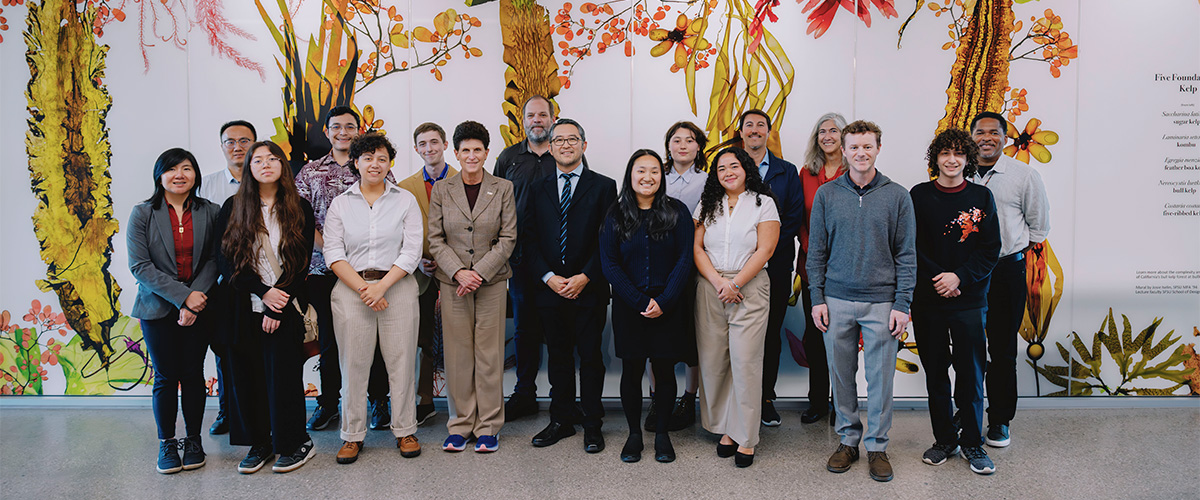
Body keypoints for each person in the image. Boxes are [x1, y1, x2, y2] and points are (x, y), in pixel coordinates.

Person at [808, 120, 915, 482]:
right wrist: (817, 297)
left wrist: (902, 303)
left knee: (881, 379)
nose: (860, 153)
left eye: (867, 146)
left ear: (878, 149)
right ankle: (848, 440)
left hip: (882, 302)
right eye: (853, 147)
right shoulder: (827, 194)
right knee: (841, 376)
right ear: (844, 150)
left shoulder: (898, 195)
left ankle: (878, 446)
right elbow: (816, 251)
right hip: (835, 300)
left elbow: (906, 254)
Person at [323, 132, 425, 464]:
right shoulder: (341, 203)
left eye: (382, 158)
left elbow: (412, 251)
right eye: (367, 158)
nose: (375, 164)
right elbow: (333, 252)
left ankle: (405, 429)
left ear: (389, 163)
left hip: (398, 286)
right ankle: (352, 435)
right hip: (353, 290)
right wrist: (366, 289)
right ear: (356, 162)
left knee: (401, 362)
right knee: (353, 365)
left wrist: (382, 287)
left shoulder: (405, 200)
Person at [216, 140, 317, 474]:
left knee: (284, 376)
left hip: (285, 305)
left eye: (273, 158)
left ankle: (294, 442)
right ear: (249, 168)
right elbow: (226, 261)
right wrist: (261, 292)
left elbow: (301, 261)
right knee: (247, 377)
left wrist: (276, 305)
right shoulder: (232, 207)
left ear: (283, 166)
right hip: (243, 305)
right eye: (257, 160)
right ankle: (260, 443)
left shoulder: (299, 207)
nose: (265, 164)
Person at [294, 106, 395, 433]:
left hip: (370, 271)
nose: (342, 132)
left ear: (358, 130)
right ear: (327, 131)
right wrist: (332, 250)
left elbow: (390, 211)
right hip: (324, 271)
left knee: (374, 337)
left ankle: (379, 399)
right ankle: (328, 404)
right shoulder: (310, 173)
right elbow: (300, 218)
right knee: (330, 342)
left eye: (349, 127)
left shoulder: (372, 165)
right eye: (336, 127)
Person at [911, 129, 1001, 475]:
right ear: (936, 158)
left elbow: (990, 248)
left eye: (959, 154)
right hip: (929, 299)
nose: (952, 160)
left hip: (969, 299)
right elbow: (911, 246)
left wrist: (959, 277)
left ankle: (973, 444)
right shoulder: (918, 195)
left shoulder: (982, 196)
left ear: (967, 159)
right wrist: (941, 278)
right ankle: (944, 439)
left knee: (971, 373)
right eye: (945, 153)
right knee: (936, 373)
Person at [524, 118, 617, 453]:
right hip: (550, 291)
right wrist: (549, 277)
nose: (565, 144)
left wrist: (586, 276)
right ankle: (561, 420)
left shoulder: (604, 186)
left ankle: (592, 424)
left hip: (588, 289)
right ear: (550, 147)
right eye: (558, 139)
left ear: (583, 145)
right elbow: (529, 240)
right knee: (559, 358)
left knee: (591, 358)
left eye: (572, 139)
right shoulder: (537, 189)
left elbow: (608, 238)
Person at [128, 148, 222, 473]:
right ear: (160, 175)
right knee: (166, 378)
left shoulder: (211, 211)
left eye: (186, 168)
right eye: (171, 169)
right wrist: (183, 298)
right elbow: (140, 266)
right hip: (156, 308)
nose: (179, 175)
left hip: (201, 305)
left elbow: (214, 259)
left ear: (195, 174)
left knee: (193, 375)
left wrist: (196, 298)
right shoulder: (142, 213)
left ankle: (193, 440)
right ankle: (167, 443)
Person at [428, 121, 517, 453]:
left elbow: (508, 238)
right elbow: (435, 240)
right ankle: (461, 424)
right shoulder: (442, 189)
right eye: (465, 149)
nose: (471, 155)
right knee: (457, 356)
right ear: (456, 153)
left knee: (489, 355)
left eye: (477, 149)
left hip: (492, 282)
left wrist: (477, 272)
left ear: (486, 152)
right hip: (453, 284)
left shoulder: (503, 188)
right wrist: (459, 273)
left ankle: (489, 426)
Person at [600, 149, 694, 463]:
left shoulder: (677, 211)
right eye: (641, 171)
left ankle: (663, 433)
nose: (647, 177)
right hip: (631, 306)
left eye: (654, 171)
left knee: (665, 371)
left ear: (661, 176)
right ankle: (634, 435)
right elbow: (609, 263)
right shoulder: (615, 214)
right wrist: (639, 300)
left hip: (668, 306)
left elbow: (685, 260)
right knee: (632, 370)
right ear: (630, 175)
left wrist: (664, 301)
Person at [968, 111, 1051, 449]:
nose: (986, 138)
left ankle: (1000, 419)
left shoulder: (1023, 175)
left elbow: (1038, 227)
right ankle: (968, 412)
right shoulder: (958, 171)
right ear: (971, 136)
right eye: (980, 132)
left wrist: (1007, 252)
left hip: (1005, 272)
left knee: (1002, 349)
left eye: (993, 132)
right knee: (967, 347)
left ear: (1004, 137)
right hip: (967, 275)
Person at [693, 146, 779, 469]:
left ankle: (746, 437)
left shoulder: (763, 203)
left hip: (749, 287)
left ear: (746, 168)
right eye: (721, 169)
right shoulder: (708, 204)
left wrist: (736, 283)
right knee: (715, 360)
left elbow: (766, 249)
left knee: (745, 362)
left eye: (734, 166)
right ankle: (727, 429)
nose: (728, 172)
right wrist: (718, 282)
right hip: (711, 286)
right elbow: (697, 247)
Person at [737, 109, 805, 427]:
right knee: (737, 332)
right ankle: (737, 399)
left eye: (760, 125)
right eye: (748, 125)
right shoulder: (729, 166)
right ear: (741, 133)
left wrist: (764, 251)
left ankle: (765, 398)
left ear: (768, 132)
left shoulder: (786, 171)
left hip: (775, 264)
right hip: (734, 266)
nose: (754, 130)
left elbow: (792, 217)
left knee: (769, 332)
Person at [493, 95, 558, 421]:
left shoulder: (564, 154)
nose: (537, 120)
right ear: (523, 121)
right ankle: (525, 394)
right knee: (524, 329)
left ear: (552, 118)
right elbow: (494, 209)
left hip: (557, 261)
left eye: (542, 115)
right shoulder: (508, 158)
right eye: (531, 115)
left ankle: (563, 396)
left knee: (560, 327)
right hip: (518, 260)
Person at [644, 121, 706, 433]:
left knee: (692, 337)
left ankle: (688, 399)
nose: (682, 145)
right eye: (676, 140)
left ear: (699, 146)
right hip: (657, 268)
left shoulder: (709, 181)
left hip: (695, 267)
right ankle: (658, 398)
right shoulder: (657, 178)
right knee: (656, 336)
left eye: (689, 140)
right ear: (668, 145)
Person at [397, 122, 459, 427]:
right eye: (423, 144)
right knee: (420, 338)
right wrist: (417, 260)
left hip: (455, 272)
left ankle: (461, 402)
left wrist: (449, 261)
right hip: (418, 272)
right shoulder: (405, 187)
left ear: (445, 145)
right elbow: (400, 230)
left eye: (435, 142)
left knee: (457, 336)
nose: (429, 148)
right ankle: (423, 399)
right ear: (416, 149)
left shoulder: (464, 180)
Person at [198, 119, 256, 436]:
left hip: (259, 282)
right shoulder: (206, 187)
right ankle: (226, 411)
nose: (237, 147)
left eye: (245, 141)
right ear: (222, 146)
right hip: (219, 283)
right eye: (230, 141)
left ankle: (257, 412)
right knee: (225, 349)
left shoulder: (264, 181)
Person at [796, 112, 848, 425]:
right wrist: (809, 246)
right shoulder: (806, 172)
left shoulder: (855, 170)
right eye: (822, 132)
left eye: (834, 130)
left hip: (845, 269)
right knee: (815, 337)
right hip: (811, 268)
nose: (827, 136)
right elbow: (800, 220)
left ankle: (841, 404)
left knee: (841, 338)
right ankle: (817, 402)